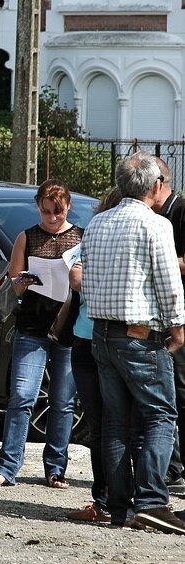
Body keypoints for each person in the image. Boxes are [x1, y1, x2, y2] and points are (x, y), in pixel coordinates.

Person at [82, 151, 185, 533]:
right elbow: (168, 283)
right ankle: (153, 502)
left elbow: (87, 280)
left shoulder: (97, 223)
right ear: (157, 186)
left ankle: (121, 507)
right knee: (161, 415)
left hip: (102, 331)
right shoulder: (155, 225)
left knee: (115, 423)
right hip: (140, 335)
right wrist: (178, 327)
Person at [0, 180, 80, 489]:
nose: (52, 218)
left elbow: (89, 281)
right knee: (22, 397)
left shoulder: (80, 237)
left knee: (63, 401)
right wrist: (26, 279)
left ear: (68, 208)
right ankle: (7, 467)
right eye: (47, 211)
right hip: (32, 325)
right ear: (38, 208)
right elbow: (14, 283)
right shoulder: (27, 237)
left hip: (68, 329)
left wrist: (76, 277)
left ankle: (55, 468)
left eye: (58, 212)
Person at [64, 188, 122, 523]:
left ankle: (110, 501)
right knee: (105, 423)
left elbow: (80, 278)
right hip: (91, 338)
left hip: (95, 339)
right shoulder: (91, 240)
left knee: (107, 424)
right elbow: (75, 277)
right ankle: (110, 501)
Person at [151, 157, 185, 496]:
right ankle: (171, 469)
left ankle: (177, 469)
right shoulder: (149, 216)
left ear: (158, 183)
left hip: (180, 319)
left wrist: (161, 257)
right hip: (158, 317)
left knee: (179, 393)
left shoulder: (181, 211)